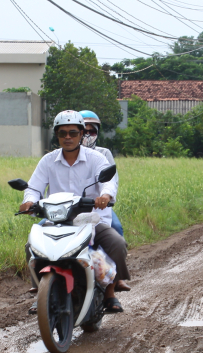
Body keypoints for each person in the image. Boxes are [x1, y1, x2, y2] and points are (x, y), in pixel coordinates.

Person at [20, 110, 129, 314]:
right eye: (62, 134)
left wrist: (104, 196)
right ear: (57, 136)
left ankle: (110, 292)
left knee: (117, 244)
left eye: (72, 133)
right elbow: (34, 187)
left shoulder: (96, 159)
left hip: (90, 220)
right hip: (56, 220)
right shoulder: (47, 161)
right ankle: (40, 289)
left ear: (81, 134)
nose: (67, 137)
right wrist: (29, 201)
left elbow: (107, 182)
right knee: (31, 246)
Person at [79, 110, 131, 292]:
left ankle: (117, 278)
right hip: (69, 210)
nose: (87, 135)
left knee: (116, 229)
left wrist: (105, 196)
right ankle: (41, 285)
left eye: (91, 131)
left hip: (98, 208)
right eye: (83, 131)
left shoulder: (103, 153)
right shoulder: (63, 155)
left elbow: (111, 178)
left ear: (97, 133)